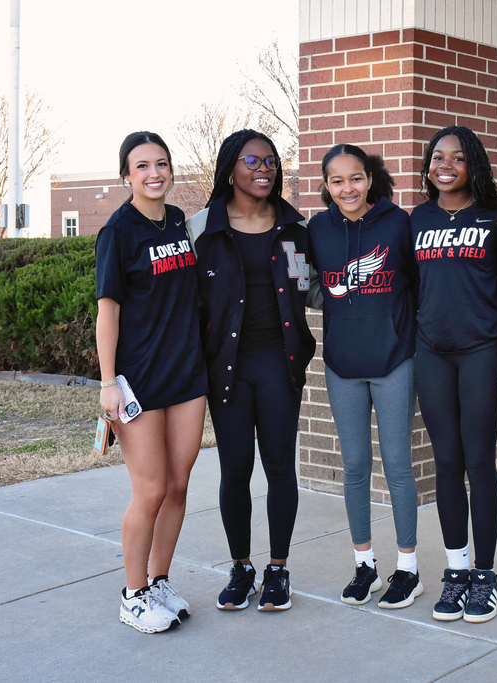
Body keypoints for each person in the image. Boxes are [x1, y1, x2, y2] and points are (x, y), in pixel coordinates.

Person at [188, 129, 317, 612]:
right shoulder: (202, 228)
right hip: (226, 367)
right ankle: (241, 567)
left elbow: (321, 289)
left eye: (271, 161)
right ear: (230, 168)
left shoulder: (296, 228)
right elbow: (178, 300)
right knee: (235, 468)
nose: (264, 169)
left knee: (281, 467)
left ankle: (278, 570)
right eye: (252, 161)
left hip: (279, 365)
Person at [95, 131, 208, 633]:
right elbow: (108, 314)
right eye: (142, 166)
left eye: (161, 163)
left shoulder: (180, 221)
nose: (154, 173)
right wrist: (107, 384)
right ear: (126, 176)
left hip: (186, 372)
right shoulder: (118, 232)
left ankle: (159, 580)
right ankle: (133, 593)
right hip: (138, 379)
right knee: (151, 488)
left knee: (179, 485)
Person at [308, 144, 423, 609]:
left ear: (369, 179)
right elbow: (310, 282)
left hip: (394, 359)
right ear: (327, 186)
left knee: (397, 465)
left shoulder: (398, 223)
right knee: (355, 467)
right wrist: (328, 298)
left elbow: (418, 285)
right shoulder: (317, 228)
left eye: (354, 178)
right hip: (342, 364)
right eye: (336, 181)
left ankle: (408, 569)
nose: (347, 188)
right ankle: (364, 565)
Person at [411, 126, 497, 624]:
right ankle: (456, 571)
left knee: (478, 462)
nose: (445, 164)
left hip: (482, 350)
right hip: (431, 352)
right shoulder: (419, 218)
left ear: (474, 164)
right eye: (437, 156)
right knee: (445, 462)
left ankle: (485, 576)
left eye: (457, 157)